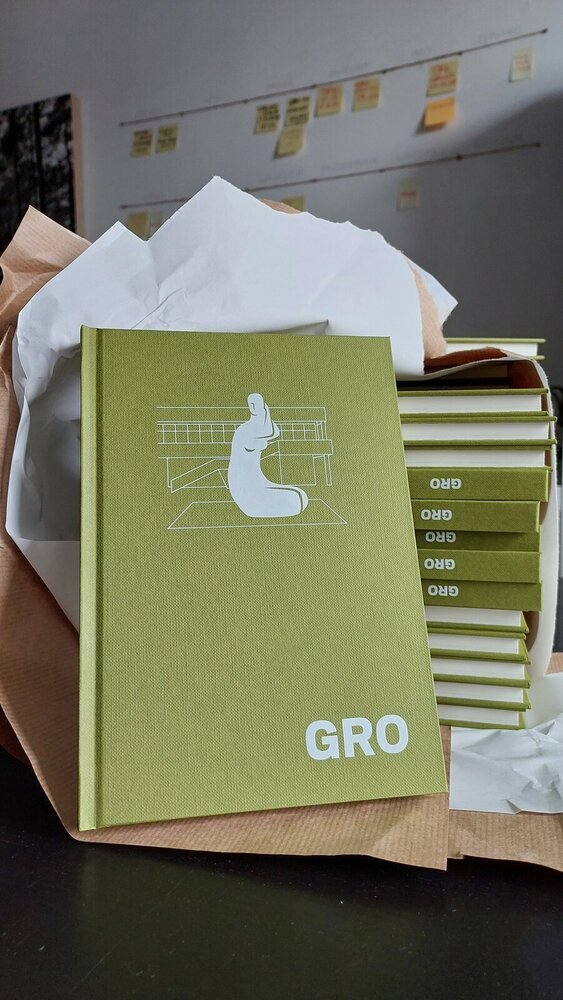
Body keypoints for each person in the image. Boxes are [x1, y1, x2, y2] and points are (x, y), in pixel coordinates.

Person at [227, 393, 308, 518]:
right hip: (245, 489)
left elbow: (275, 432)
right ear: (251, 406)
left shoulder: (255, 427)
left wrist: (263, 412)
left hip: (256, 482)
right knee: (297, 498)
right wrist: (265, 411)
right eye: (255, 405)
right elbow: (270, 431)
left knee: (300, 496)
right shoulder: (244, 430)